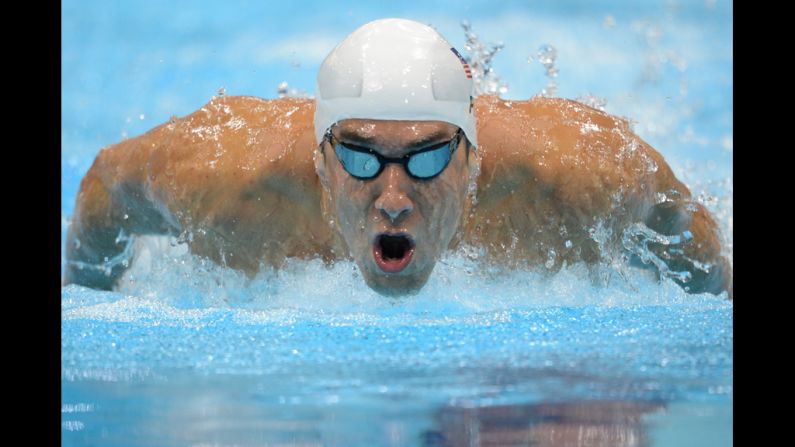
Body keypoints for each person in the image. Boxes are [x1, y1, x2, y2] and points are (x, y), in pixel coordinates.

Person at [63, 18, 732, 298]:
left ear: (471, 162)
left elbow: (679, 227)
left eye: (424, 158)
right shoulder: (226, 184)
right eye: (359, 159)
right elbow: (102, 185)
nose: (391, 195)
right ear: (320, 162)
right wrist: (87, 300)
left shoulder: (573, 178)